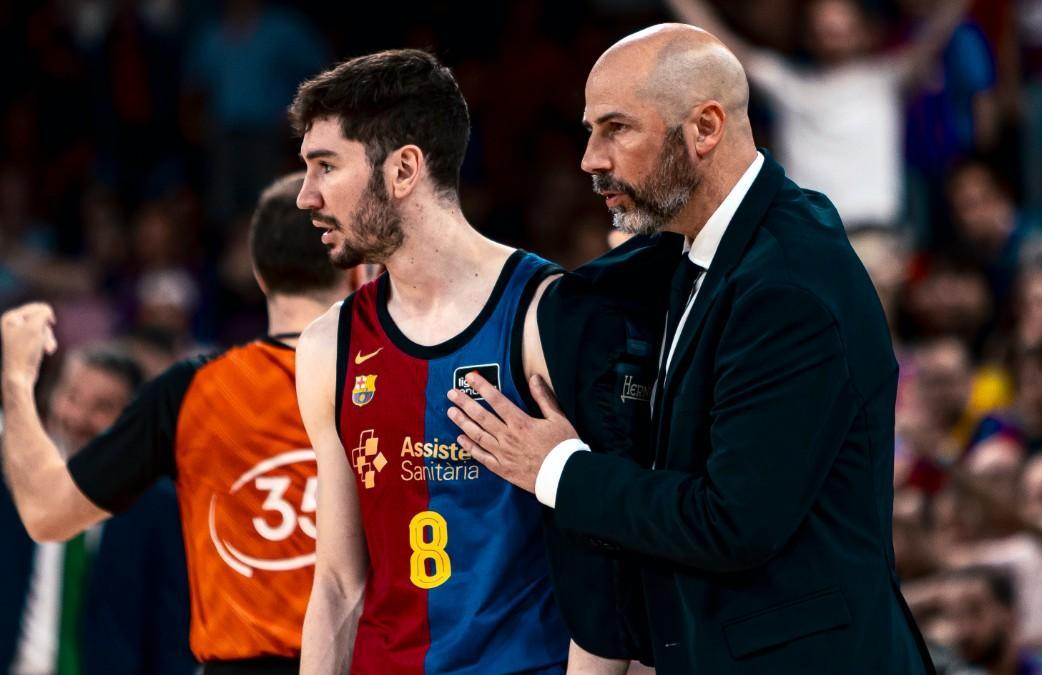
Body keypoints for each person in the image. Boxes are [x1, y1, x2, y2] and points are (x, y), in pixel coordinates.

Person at [446, 23, 933, 674]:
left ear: (705, 128)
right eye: (590, 130)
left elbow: (731, 522)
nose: (591, 158)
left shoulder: (788, 289)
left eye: (616, 129)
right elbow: (581, 290)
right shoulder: (717, 239)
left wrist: (557, 468)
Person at [290, 49, 658, 674]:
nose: (306, 196)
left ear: (404, 168)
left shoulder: (549, 316)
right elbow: (337, 584)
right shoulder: (330, 344)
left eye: (326, 166)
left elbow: (615, 561)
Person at [1, 172, 358, 674]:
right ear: (356, 272)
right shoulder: (396, 384)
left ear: (259, 273)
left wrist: (16, 378)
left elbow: (45, 511)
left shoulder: (192, 388)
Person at [665, 0, 971, 231]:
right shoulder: (789, 83)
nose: (832, 37)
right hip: (807, 230)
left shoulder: (886, 80)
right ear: (809, 36)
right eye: (824, 30)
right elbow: (724, 48)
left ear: (863, 33)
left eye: (840, 29)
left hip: (874, 233)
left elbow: (936, 34)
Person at [0, 346, 193, 675]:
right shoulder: (12, 482)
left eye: (102, 407)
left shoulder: (161, 505)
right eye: (71, 396)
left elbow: (172, 628)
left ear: (131, 418)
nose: (77, 418)